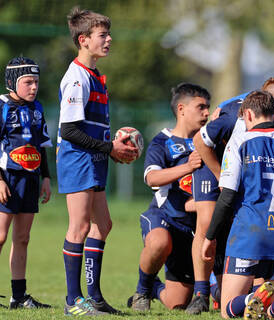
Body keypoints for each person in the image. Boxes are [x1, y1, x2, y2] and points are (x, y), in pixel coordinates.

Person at [202, 90, 274, 319]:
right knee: (269, 311)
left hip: (249, 232)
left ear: (247, 115)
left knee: (228, 310)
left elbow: (227, 196)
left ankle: (250, 298)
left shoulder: (239, 142)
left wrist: (210, 237)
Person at [56, 7, 138, 316]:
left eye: (107, 34)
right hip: (78, 159)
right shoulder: (77, 77)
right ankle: (73, 301)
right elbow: (69, 130)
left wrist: (112, 147)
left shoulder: (96, 77)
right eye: (102, 35)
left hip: (93, 158)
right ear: (84, 40)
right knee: (78, 227)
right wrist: (109, 148)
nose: (109, 39)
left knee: (102, 224)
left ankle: (94, 298)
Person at [127, 82, 220, 311]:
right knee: (159, 242)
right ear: (181, 109)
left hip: (194, 229)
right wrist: (187, 167)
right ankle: (142, 290)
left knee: (176, 303)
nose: (206, 112)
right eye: (201, 107)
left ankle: (156, 288)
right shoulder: (163, 141)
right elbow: (152, 178)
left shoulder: (210, 142)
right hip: (166, 217)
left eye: (208, 107)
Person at [0, 56, 52, 309]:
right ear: (12, 82)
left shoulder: (37, 108)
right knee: (0, 236)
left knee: (22, 237)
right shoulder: (2, 106)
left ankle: (18, 297)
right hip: (6, 178)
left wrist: (46, 177)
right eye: (28, 82)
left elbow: (41, 146)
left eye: (36, 82)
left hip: (30, 179)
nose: (34, 87)